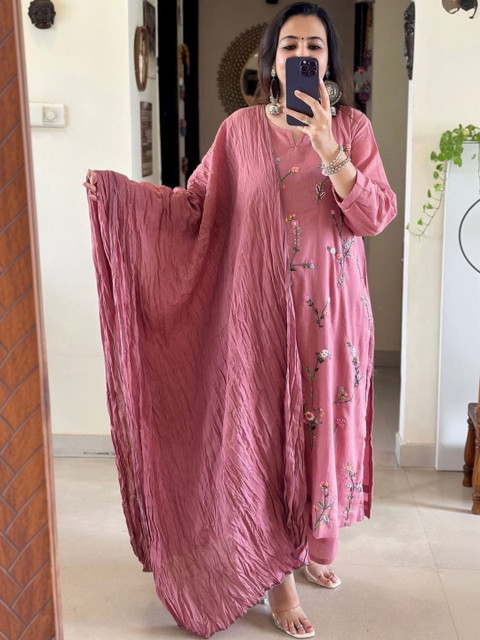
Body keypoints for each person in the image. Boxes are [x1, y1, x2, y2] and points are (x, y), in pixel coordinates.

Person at [84, 3, 396, 638]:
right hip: (254, 319)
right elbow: (195, 207)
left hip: (332, 321)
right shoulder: (240, 132)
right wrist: (122, 199)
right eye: (290, 46)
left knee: (321, 433)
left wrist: (330, 150)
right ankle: (278, 578)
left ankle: (307, 545)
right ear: (272, 61)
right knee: (264, 434)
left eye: (314, 45)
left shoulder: (352, 128)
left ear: (328, 60)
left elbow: (374, 217)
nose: (301, 55)